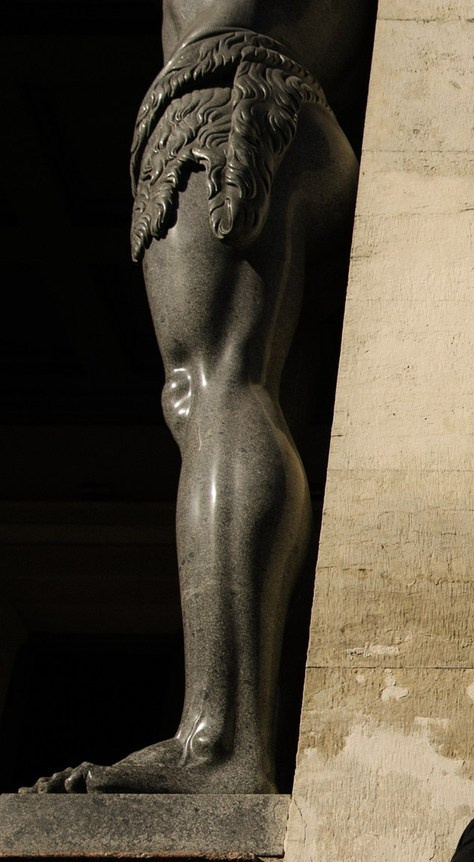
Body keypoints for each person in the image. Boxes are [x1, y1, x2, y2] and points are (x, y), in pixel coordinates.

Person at [25, 1, 373, 794]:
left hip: (219, 96)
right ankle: (237, 733)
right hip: (278, 99)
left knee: (212, 387)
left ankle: (220, 742)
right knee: (241, 388)